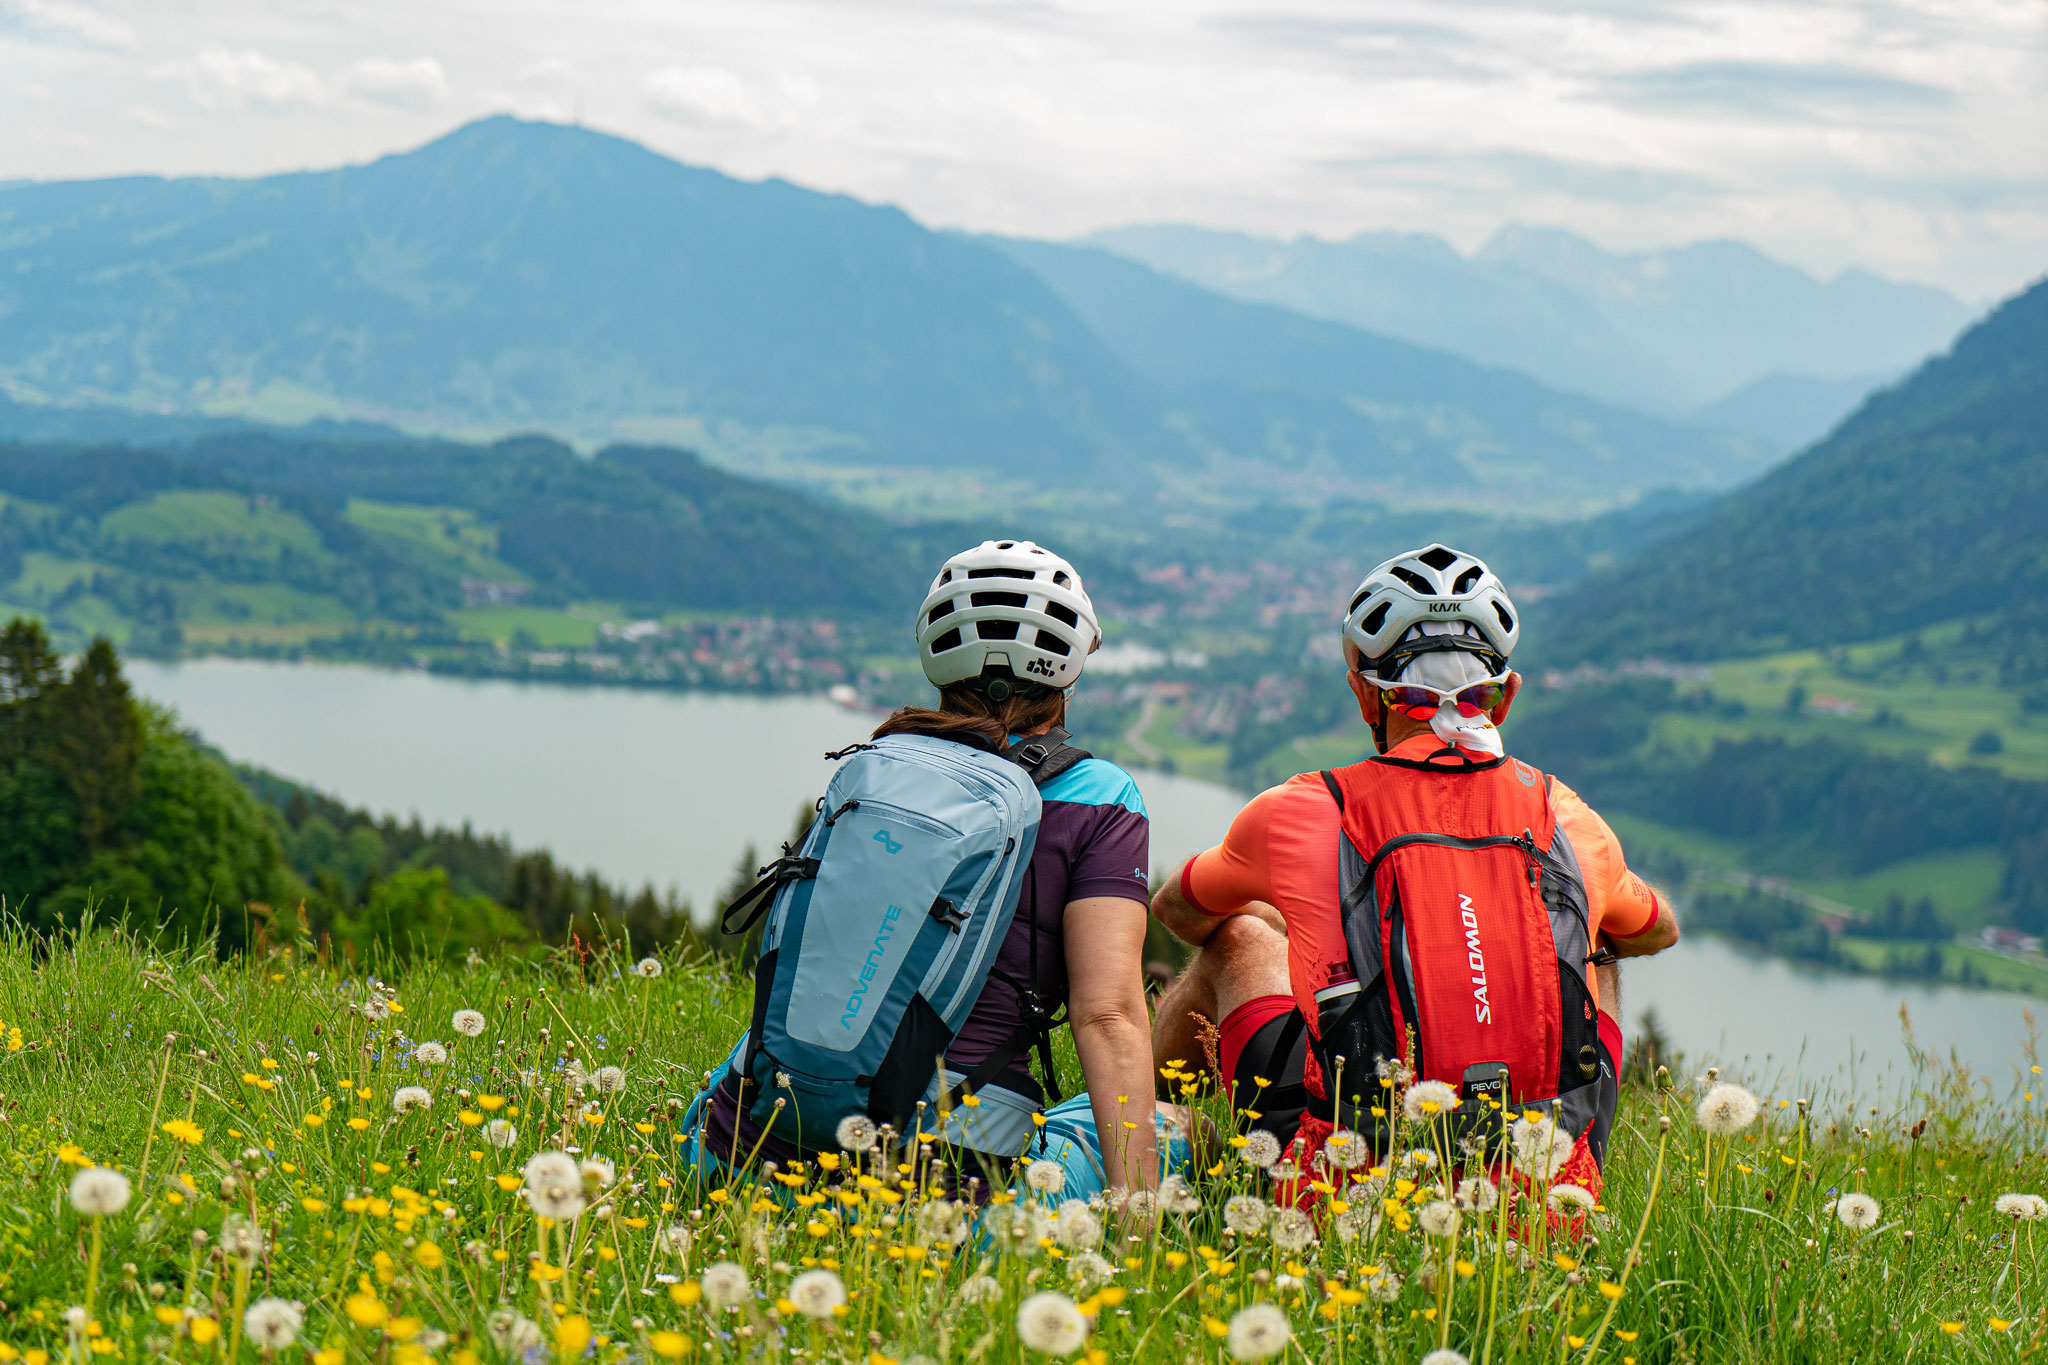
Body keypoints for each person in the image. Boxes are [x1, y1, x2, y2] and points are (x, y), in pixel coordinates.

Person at [1150, 543, 1679, 1192]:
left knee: (1241, 935)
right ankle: (1572, 1162)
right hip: (1545, 1202)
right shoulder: (1568, 818)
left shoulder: (1301, 809)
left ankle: (1141, 1120)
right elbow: (1659, 929)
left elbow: (1177, 907)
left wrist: (1293, 920)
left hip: (1348, 1201)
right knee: (1596, 935)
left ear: (1366, 694)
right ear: (1503, 696)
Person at [687, 539, 1164, 1196]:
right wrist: (1135, 1218)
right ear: (1069, 666)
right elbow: (1108, 1014)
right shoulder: (1101, 798)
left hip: (746, 1148)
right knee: (1184, 1128)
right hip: (944, 1190)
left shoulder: (878, 766)